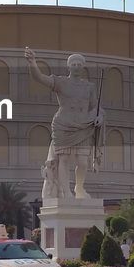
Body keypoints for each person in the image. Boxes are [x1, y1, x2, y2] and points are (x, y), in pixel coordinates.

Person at [24, 48, 105, 199]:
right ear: (68, 66)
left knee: (82, 162)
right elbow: (40, 78)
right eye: (73, 64)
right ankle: (66, 192)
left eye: (79, 64)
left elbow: (95, 106)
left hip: (83, 126)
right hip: (63, 125)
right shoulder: (61, 82)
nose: (76, 66)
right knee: (64, 159)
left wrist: (99, 116)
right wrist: (33, 63)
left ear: (83, 67)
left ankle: (79, 188)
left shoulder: (89, 87)